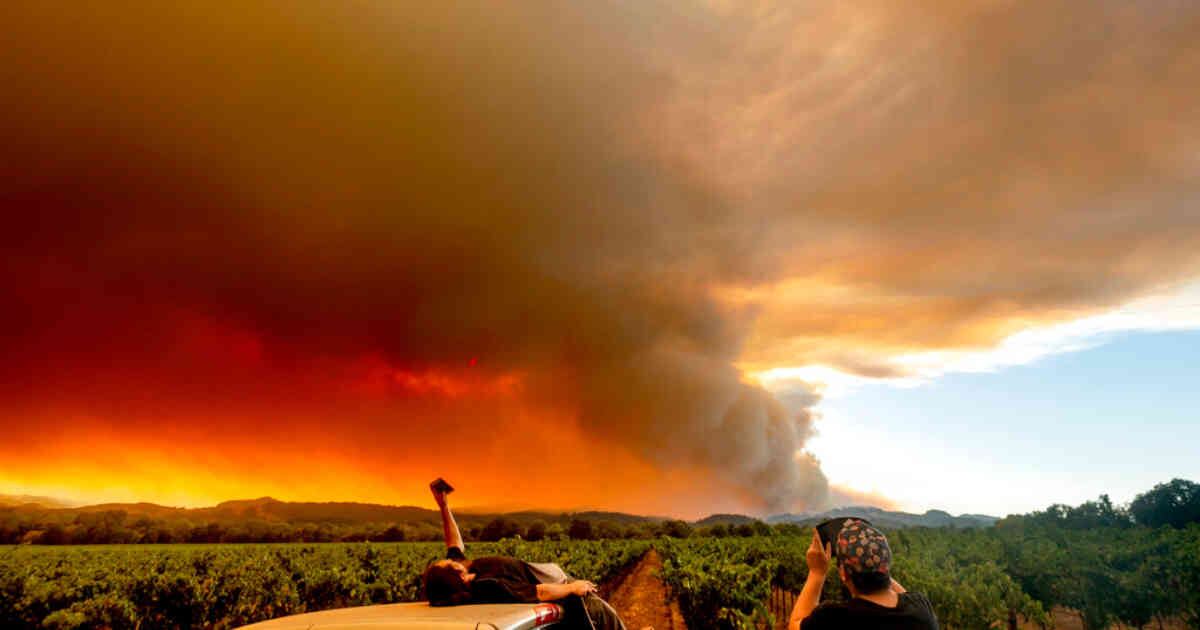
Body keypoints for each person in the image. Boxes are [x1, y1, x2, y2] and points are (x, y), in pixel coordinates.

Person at [421, 479, 627, 630]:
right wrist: (573, 588)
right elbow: (540, 592)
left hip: (559, 583)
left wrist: (443, 506)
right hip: (561, 589)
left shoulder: (466, 568)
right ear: (457, 576)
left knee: (606, 615)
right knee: (601, 613)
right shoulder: (489, 585)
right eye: (446, 563)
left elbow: (454, 542)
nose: (448, 559)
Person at [788, 519, 939, 630]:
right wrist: (876, 562)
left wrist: (817, 573)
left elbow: (795, 624)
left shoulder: (834, 618)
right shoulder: (922, 609)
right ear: (887, 565)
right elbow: (905, 597)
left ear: (843, 574)